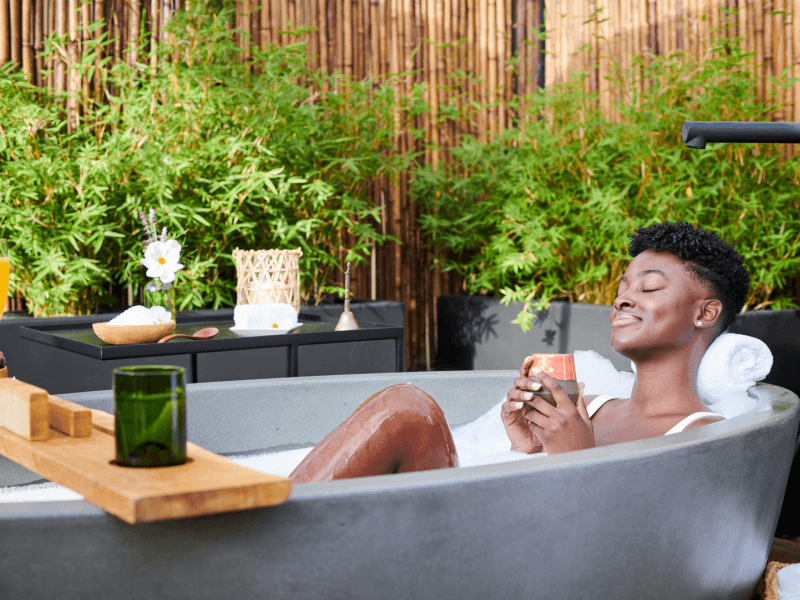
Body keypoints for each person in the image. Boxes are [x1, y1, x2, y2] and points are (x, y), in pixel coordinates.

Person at [290, 221, 751, 483]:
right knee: (405, 406)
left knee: (407, 410)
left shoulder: (705, 436)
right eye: (623, 286)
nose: (623, 299)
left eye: (649, 287)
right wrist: (522, 449)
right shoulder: (585, 409)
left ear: (705, 313)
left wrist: (576, 458)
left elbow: (647, 551)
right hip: (482, 534)